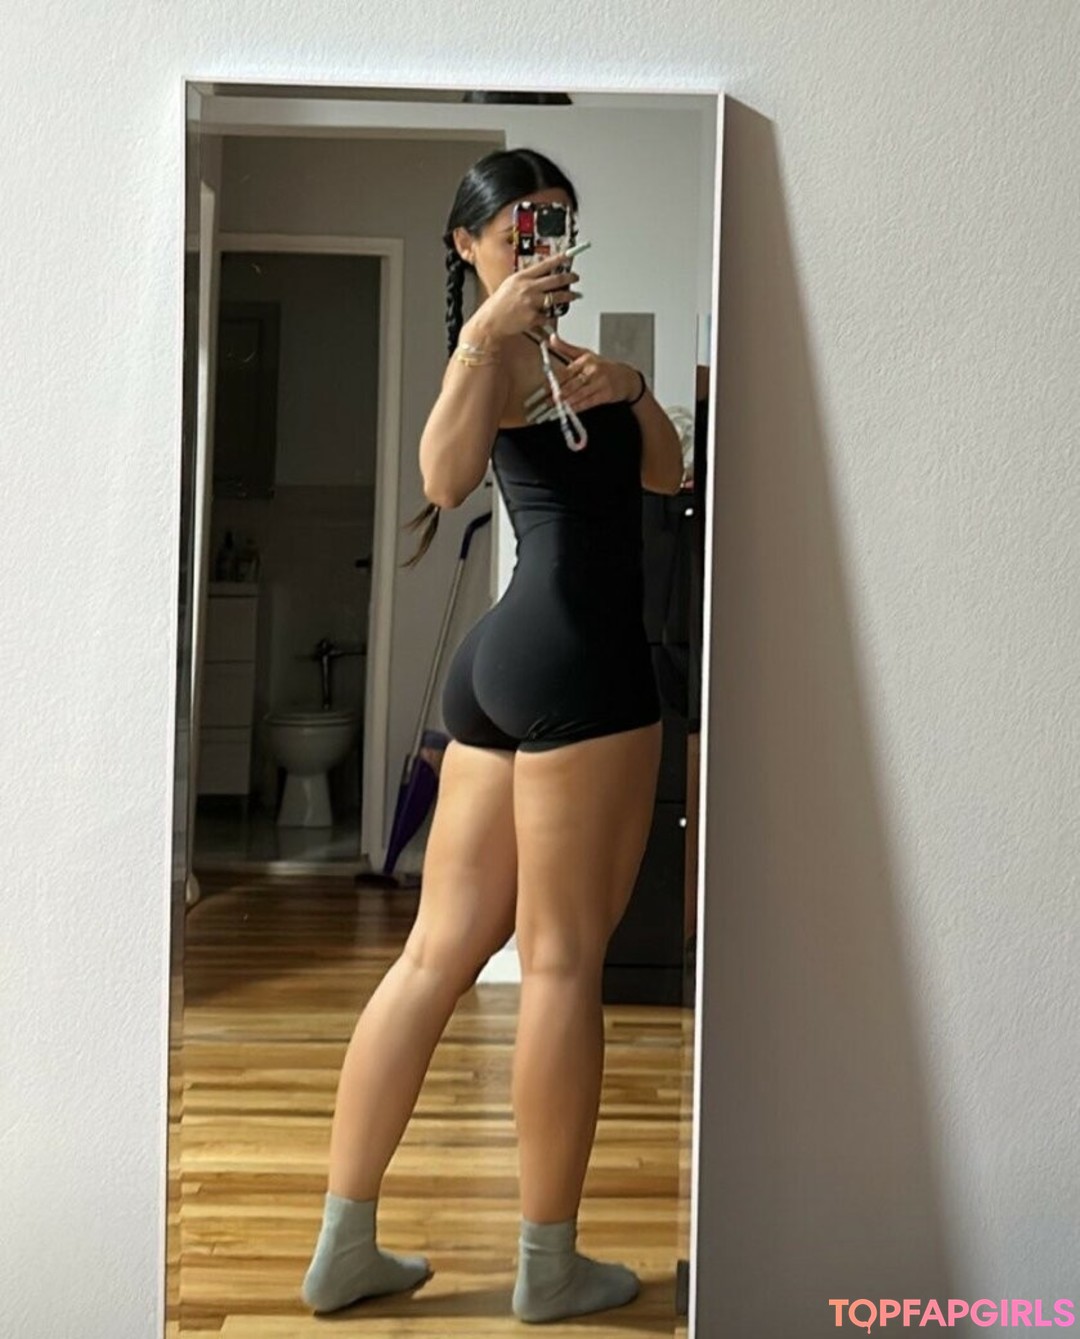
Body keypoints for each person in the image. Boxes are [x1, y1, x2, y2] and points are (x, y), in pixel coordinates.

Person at [301, 147, 684, 1325]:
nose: (540, 238)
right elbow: (441, 475)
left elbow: (666, 477)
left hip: (506, 667)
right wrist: (486, 331)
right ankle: (547, 1266)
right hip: (578, 669)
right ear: (467, 242)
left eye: (556, 220)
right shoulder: (494, 350)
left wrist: (632, 385)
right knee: (561, 963)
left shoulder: (568, 360)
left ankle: (344, 1249)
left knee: (437, 954)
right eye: (520, 222)